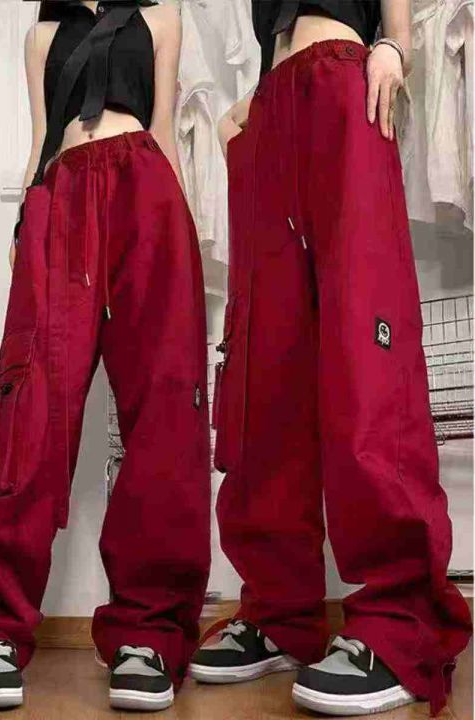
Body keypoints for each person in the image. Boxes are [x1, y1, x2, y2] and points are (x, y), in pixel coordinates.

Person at [190, 0, 472, 716]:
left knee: (363, 350)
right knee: (264, 368)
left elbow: (395, 21)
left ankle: (402, 619)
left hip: (345, 81)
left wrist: (395, 48)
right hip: (270, 109)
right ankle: (279, 610)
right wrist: (247, 107)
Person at [0, 0, 211, 712]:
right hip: (61, 198)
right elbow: (42, 140)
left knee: (163, 410)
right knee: (31, 407)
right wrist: (26, 220)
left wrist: (179, 229)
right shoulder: (42, 35)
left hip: (147, 193)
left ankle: (148, 632)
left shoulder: (162, 18)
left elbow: (163, 131)